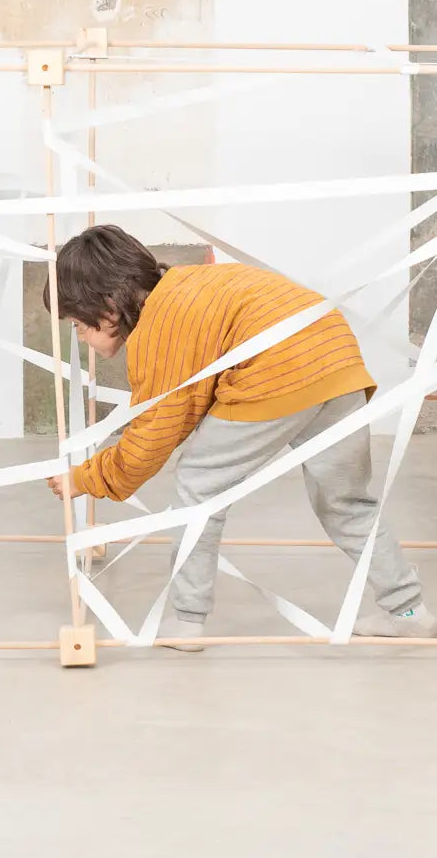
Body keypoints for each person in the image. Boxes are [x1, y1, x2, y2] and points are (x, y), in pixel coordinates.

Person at [44, 224, 435, 649]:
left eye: (77, 326)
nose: (81, 338)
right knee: (347, 502)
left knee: (199, 485)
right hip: (336, 357)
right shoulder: (190, 283)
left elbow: (153, 437)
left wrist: (86, 478)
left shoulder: (160, 326)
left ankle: (187, 620)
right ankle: (408, 611)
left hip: (278, 370)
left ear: (107, 306)